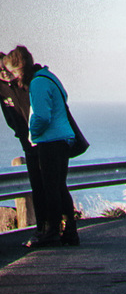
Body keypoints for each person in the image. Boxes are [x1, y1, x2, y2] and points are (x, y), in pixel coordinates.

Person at [2, 45, 81, 248]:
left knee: (49, 187)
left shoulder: (36, 83)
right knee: (57, 186)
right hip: (59, 138)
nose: (9, 77)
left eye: (10, 71)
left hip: (48, 140)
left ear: (18, 69)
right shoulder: (47, 76)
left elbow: (41, 116)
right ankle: (68, 231)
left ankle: (51, 232)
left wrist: (33, 135)